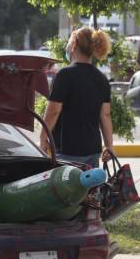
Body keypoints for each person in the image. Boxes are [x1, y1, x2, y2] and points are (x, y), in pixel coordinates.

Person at [40, 26, 115, 168]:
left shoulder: (64, 75)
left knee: (68, 190)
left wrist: (43, 137)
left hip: (67, 150)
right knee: (89, 190)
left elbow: (53, 111)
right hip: (92, 150)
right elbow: (105, 115)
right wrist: (109, 145)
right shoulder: (101, 78)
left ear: (73, 44)